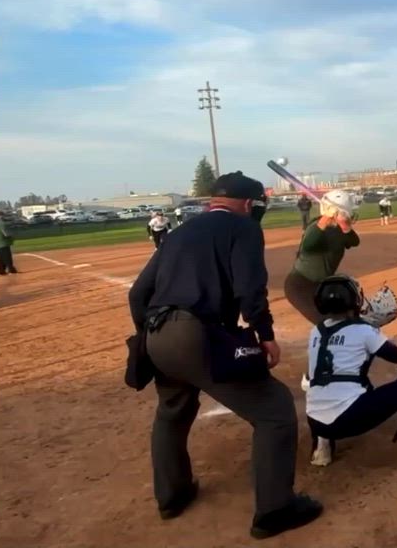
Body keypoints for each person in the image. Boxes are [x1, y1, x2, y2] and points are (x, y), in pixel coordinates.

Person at [127, 171, 322, 540]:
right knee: (275, 409)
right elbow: (250, 288)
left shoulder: (179, 232)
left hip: (156, 333)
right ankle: (275, 509)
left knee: (172, 411)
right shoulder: (243, 227)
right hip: (195, 332)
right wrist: (265, 334)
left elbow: (138, 294)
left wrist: (147, 336)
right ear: (248, 204)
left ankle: (172, 496)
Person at [304, 274, 397, 467]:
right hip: (348, 420)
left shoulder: (315, 332)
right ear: (354, 300)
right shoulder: (363, 330)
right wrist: (373, 327)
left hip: (316, 423)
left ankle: (321, 451)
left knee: (326, 385)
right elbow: (396, 355)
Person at [284, 190, 362, 327]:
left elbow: (354, 241)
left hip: (321, 285)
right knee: (329, 324)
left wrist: (346, 227)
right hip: (300, 286)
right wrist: (326, 218)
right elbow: (308, 245)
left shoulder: (338, 229)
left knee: (342, 318)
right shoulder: (315, 228)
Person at [0, 210, 18, 275]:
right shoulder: (1, 223)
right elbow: (6, 234)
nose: (4, 217)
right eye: (3, 215)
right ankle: (11, 270)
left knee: (0, 259)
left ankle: (1, 271)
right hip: (3, 244)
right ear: (0, 216)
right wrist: (12, 235)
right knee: (7, 257)